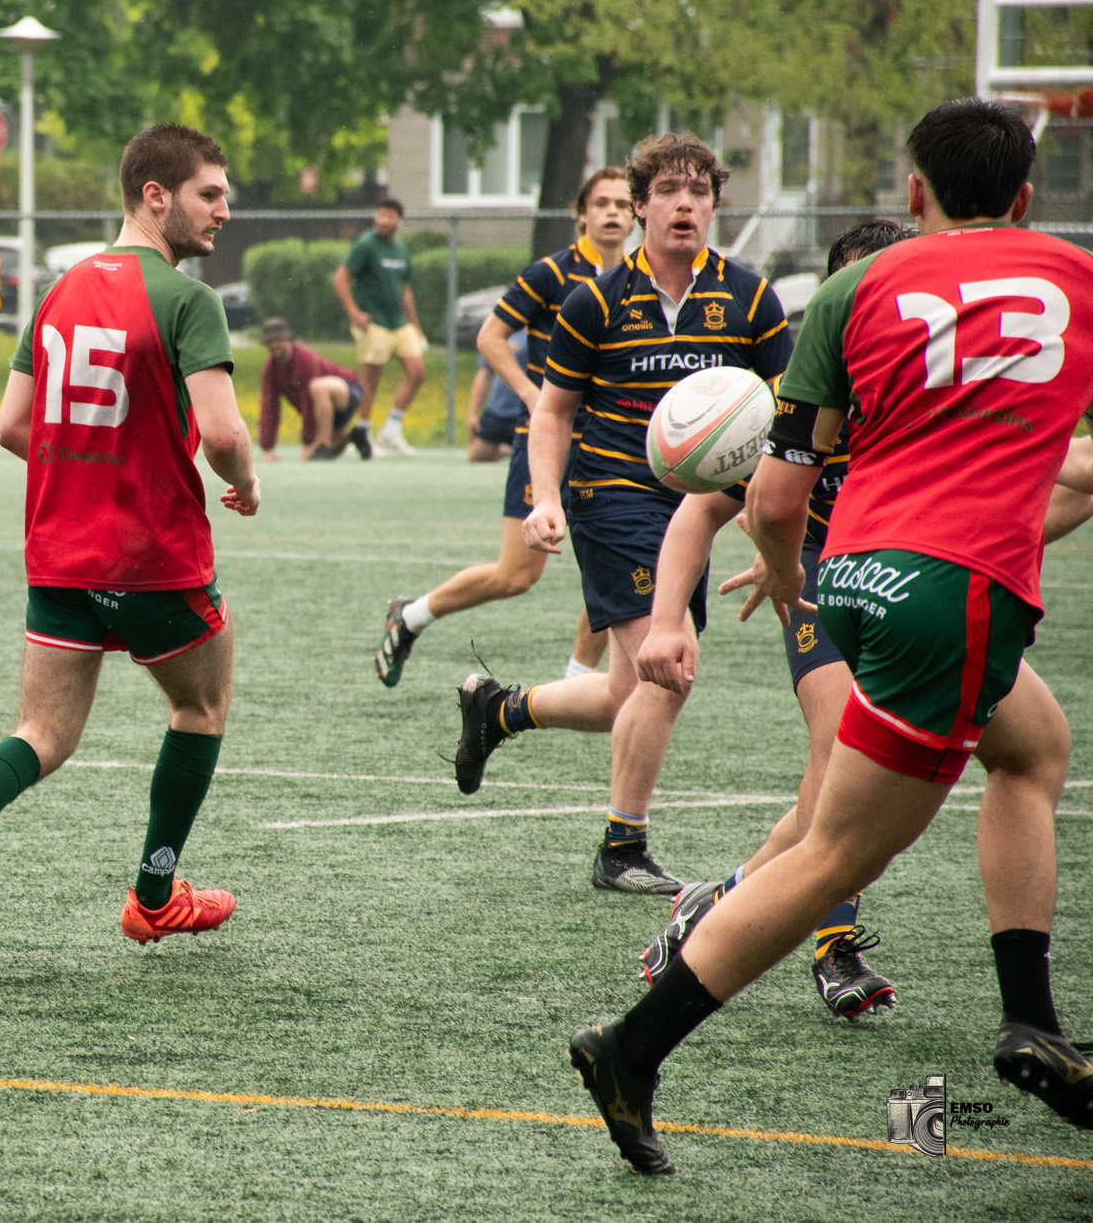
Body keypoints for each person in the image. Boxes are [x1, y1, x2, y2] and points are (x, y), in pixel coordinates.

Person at [572, 99, 1093, 1176]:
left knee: (1031, 747)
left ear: (914, 195)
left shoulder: (853, 287)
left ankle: (1030, 1019)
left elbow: (769, 502)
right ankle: (629, 1048)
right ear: (1025, 196)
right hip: (950, 595)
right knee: (832, 855)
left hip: (853, 577)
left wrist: (785, 579)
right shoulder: (1070, 277)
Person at [0, 123, 260, 971]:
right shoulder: (186, 298)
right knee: (198, 708)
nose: (225, 210)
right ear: (155, 196)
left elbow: (12, 426)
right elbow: (224, 432)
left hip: (60, 554)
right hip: (155, 559)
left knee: (41, 734)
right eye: (211, 193)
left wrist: (90, 464)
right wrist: (244, 481)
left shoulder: (57, 291)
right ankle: (156, 895)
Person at [448, 136, 790, 895]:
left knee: (622, 693)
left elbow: (790, 415)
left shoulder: (750, 298)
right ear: (641, 206)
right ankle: (621, 846)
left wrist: (771, 522)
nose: (684, 204)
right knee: (670, 665)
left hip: (698, 505)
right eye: (668, 190)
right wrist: (543, 497)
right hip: (611, 495)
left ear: (713, 206)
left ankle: (499, 710)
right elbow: (555, 412)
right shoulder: (595, 298)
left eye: (698, 192)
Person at [631, 219, 914, 1022]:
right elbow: (699, 512)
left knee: (873, 791)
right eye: (858, 291)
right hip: (819, 583)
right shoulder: (794, 398)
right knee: (839, 751)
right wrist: (666, 622)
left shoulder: (929, 392)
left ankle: (720, 902)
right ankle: (834, 946)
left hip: (908, 584)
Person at [375, 171, 631, 686]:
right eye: (601, 203)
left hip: (612, 443)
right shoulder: (551, 274)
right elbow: (491, 338)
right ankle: (411, 615)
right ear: (580, 213)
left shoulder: (639, 281)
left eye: (624, 204)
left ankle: (575, 683)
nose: (613, 212)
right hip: (548, 441)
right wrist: (536, 398)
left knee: (616, 569)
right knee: (516, 575)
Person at [331, 198, 425, 455]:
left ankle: (392, 431)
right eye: (379, 215)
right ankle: (363, 433)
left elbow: (405, 290)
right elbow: (340, 278)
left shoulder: (401, 248)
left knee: (417, 371)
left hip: (399, 324)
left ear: (399, 220)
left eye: (389, 216)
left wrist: (416, 326)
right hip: (373, 324)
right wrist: (354, 313)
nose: (383, 220)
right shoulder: (365, 245)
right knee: (371, 380)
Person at [256, 318, 366, 460]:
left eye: (279, 340)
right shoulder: (270, 370)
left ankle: (323, 444)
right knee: (332, 451)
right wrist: (268, 448)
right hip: (325, 409)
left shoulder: (305, 359)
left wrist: (308, 443)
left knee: (316, 387)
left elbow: (308, 400)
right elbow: (269, 407)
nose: (275, 345)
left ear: (289, 339)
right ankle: (353, 437)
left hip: (348, 390)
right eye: (270, 342)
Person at [464, 332, 525, 463]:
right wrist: (472, 413)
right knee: (475, 455)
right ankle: (512, 450)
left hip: (524, 410)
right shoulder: (497, 330)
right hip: (497, 410)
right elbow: (484, 374)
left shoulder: (536, 330)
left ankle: (519, 449)